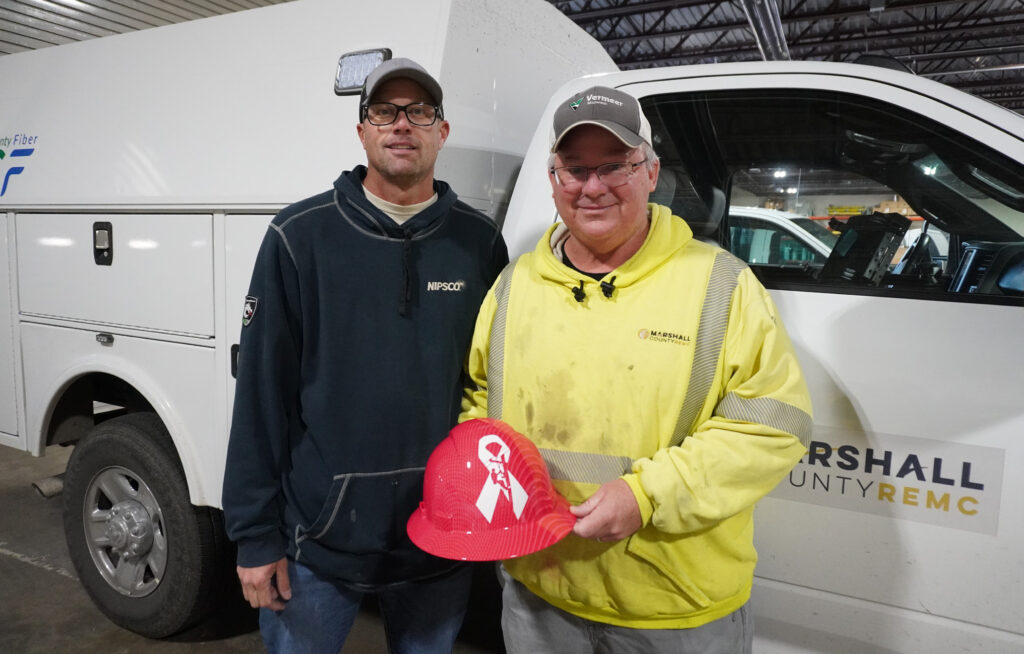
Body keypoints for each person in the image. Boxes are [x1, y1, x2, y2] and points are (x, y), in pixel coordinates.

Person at [460, 86, 812, 654]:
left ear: (651, 173)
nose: (592, 186)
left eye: (614, 166)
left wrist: (647, 495)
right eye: (574, 169)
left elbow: (772, 427)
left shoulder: (721, 285)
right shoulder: (515, 285)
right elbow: (480, 402)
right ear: (553, 181)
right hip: (538, 594)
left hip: (674, 607)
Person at [222, 57, 509, 654]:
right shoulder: (299, 237)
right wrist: (254, 536)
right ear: (363, 132)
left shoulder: (477, 244)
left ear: (442, 132)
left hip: (439, 539)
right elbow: (260, 395)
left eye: (420, 112)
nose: (402, 124)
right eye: (385, 111)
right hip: (317, 545)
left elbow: (491, 387)